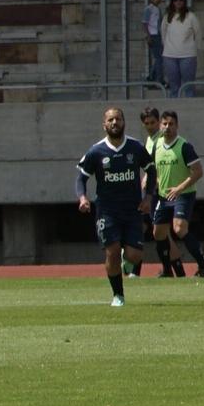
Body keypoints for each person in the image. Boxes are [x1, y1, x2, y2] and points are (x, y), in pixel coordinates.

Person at [73, 105, 154, 307]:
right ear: (104, 125)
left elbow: (151, 171)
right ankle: (118, 295)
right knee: (111, 251)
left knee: (135, 255)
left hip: (133, 209)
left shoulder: (135, 147)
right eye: (110, 120)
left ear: (124, 122)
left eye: (118, 119)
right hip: (107, 211)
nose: (114, 123)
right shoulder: (96, 151)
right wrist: (82, 198)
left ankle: (126, 261)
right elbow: (81, 178)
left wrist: (148, 197)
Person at [148, 110, 204, 278]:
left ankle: (203, 266)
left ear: (177, 126)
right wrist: (152, 180)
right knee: (158, 233)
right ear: (160, 125)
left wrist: (179, 188)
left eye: (171, 124)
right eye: (165, 124)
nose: (167, 127)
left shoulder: (184, 146)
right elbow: (154, 169)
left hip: (183, 194)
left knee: (179, 228)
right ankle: (167, 270)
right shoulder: (157, 145)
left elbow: (197, 172)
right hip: (164, 196)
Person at [124, 106, 161, 276]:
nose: (150, 126)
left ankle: (173, 268)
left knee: (161, 229)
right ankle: (135, 269)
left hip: (159, 191)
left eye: (153, 122)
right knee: (142, 226)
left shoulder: (160, 139)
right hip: (149, 190)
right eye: (147, 123)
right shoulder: (149, 140)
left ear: (158, 122)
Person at [160, 0, 201, 97]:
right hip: (170, 56)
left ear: (184, 1)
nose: (178, 2)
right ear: (172, 1)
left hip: (187, 55)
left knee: (188, 86)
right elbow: (163, 34)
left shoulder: (191, 16)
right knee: (174, 87)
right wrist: (168, 47)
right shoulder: (167, 17)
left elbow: (198, 35)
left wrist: (194, 49)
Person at [142, 0, 164, 86]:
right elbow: (145, 23)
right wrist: (148, 36)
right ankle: (158, 79)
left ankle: (151, 77)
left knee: (160, 57)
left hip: (158, 35)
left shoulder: (157, 9)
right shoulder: (149, 9)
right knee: (159, 58)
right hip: (153, 35)